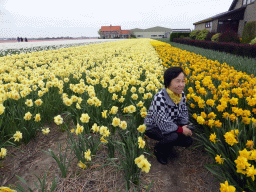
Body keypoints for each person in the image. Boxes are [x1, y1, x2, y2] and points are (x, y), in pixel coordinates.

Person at [144, 67, 193, 165]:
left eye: (183, 81)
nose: (181, 85)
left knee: (188, 140)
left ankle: (168, 145)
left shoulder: (181, 95)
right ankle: (159, 150)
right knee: (173, 136)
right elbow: (163, 124)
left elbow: (183, 111)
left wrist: (184, 125)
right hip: (153, 127)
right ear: (168, 82)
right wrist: (181, 130)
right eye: (177, 81)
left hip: (171, 124)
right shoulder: (160, 98)